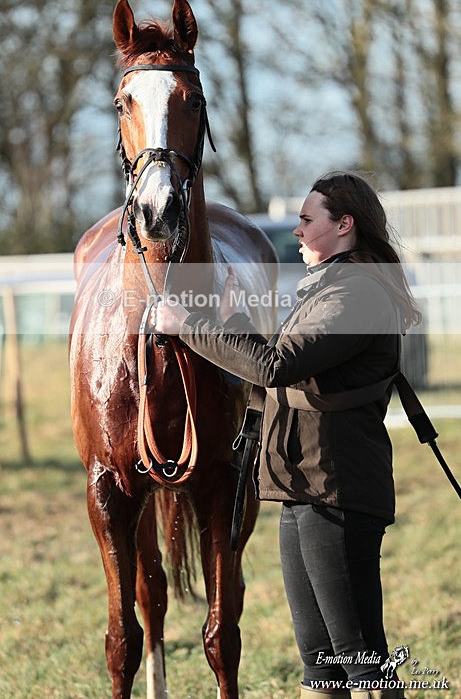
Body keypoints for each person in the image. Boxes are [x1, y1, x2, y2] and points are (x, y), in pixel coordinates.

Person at [152, 172, 421, 699]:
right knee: (318, 662)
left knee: (361, 659)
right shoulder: (328, 288)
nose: (297, 231)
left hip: (337, 490)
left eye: (306, 219)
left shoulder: (357, 292)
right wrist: (231, 319)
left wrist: (187, 324)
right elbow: (280, 373)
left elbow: (274, 366)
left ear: (344, 225)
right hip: (303, 487)